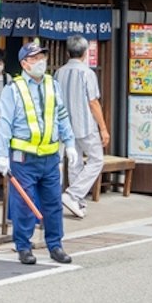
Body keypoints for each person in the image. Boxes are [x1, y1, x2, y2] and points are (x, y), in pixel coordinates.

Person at [0, 42, 77, 265]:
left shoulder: (53, 85)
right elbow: (4, 124)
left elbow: (62, 115)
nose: (41, 61)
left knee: (53, 203)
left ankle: (55, 245)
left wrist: (70, 143)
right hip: (23, 157)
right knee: (24, 203)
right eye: (35, 58)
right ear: (24, 63)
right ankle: (23, 246)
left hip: (50, 157)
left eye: (42, 57)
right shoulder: (14, 89)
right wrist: (1, 155)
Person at [55, 36, 110, 219]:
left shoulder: (59, 73)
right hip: (85, 124)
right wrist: (103, 128)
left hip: (64, 126)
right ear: (85, 53)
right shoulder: (87, 73)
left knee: (74, 161)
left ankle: (77, 201)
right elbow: (93, 102)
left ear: (67, 52)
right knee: (96, 160)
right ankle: (73, 195)